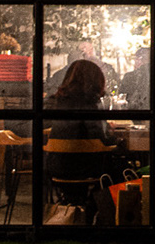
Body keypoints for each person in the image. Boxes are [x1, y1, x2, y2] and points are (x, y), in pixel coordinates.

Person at [42, 59, 118, 213]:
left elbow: (46, 127)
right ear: (96, 79)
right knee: (123, 167)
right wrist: (115, 137)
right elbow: (100, 139)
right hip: (86, 168)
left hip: (55, 166)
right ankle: (101, 212)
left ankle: (82, 207)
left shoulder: (55, 100)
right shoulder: (91, 102)